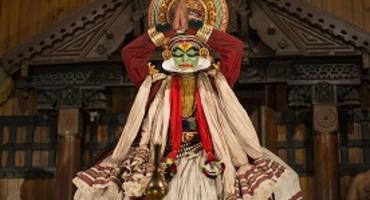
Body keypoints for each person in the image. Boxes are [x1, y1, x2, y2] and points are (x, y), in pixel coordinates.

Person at [72, 1, 302, 199]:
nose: (184, 58)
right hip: (163, 157)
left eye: (191, 52)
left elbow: (234, 48)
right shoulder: (155, 85)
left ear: (202, 55)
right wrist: (167, 30)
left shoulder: (217, 83)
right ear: (168, 56)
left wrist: (194, 27)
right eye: (178, 53)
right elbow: (130, 54)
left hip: (209, 156)